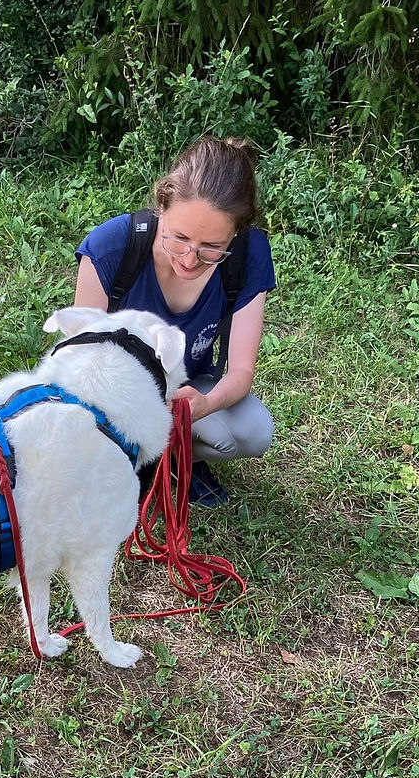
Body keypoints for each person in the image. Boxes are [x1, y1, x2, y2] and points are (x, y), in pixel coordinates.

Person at [73, 135, 276, 506]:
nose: (188, 259)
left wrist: (203, 404)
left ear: (237, 232)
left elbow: (241, 373)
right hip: (112, 396)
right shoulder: (110, 247)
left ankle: (179, 460)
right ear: (162, 205)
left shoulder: (249, 254)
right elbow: (79, 363)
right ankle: (132, 462)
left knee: (253, 430)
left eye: (211, 247)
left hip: (185, 390)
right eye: (179, 237)